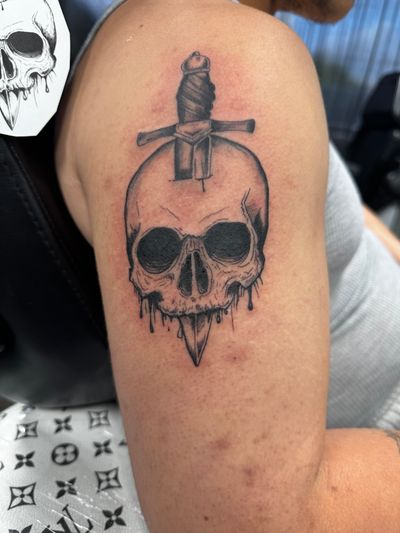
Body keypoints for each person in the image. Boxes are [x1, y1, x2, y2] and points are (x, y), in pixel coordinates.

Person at [55, 0, 400, 531]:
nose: (194, 286)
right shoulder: (234, 47)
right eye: (159, 251)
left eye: (230, 242)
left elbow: (324, 204)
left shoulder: (211, 39)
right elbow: (251, 521)